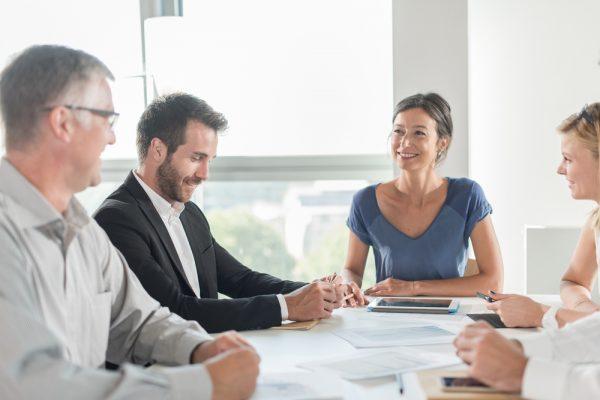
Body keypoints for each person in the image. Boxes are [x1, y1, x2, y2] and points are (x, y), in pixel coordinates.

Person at [0, 45, 259, 400]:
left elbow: (138, 321)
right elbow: (33, 383)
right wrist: (202, 385)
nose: (112, 138)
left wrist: (200, 348)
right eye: (107, 119)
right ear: (62, 122)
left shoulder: (85, 233)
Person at [93, 92, 353, 333]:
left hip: (208, 358)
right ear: (158, 150)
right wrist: (288, 306)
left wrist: (318, 292)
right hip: (156, 374)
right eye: (196, 158)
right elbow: (174, 311)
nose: (205, 174)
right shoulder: (116, 220)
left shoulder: (189, 213)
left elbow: (241, 280)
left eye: (210, 161)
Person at [341, 93, 503, 298]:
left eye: (419, 133)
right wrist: (347, 286)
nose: (405, 142)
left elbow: (494, 282)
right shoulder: (365, 201)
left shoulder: (467, 195)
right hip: (386, 320)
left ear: (442, 143)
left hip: (452, 321)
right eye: (398, 131)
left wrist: (413, 288)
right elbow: (352, 271)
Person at [487, 103, 600, 328]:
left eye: (568, 159)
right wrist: (585, 312)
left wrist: (541, 314)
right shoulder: (596, 220)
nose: (560, 169)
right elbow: (573, 281)